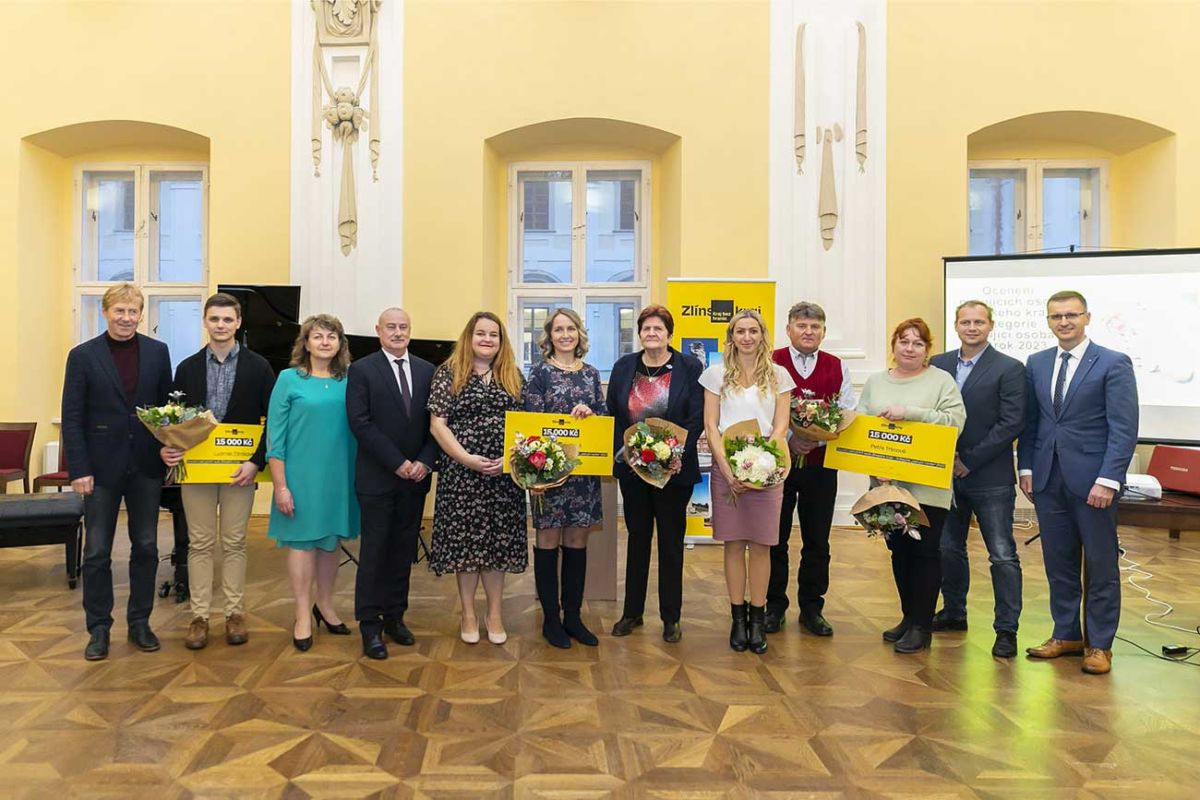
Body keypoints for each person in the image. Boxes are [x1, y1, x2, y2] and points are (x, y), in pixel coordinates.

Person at [1018, 291, 1138, 675]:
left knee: (1101, 566)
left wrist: (1109, 479)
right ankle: (1066, 634)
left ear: (1087, 317)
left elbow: (1123, 428)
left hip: (1094, 483)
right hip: (1047, 479)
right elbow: (1032, 423)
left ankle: (1099, 645)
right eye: (1056, 316)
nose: (1064, 322)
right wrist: (1026, 468)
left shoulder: (1113, 362)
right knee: (1059, 564)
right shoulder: (1036, 363)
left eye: (1071, 315)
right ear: (1048, 321)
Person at [62, 283, 173, 661]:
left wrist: (169, 445)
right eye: (119, 311)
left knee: (146, 547)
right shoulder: (82, 356)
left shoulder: (158, 352)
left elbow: (166, 412)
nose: (126, 318)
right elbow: (71, 416)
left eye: (133, 311)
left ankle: (140, 622)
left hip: (146, 467)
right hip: (99, 470)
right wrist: (78, 468)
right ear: (105, 312)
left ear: (141, 314)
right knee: (96, 552)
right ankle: (98, 628)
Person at [162, 293, 276, 650]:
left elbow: (275, 420)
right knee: (198, 543)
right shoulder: (187, 368)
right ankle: (199, 616)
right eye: (215, 319)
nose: (221, 325)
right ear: (205, 322)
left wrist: (256, 461)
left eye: (228, 319)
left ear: (238, 323)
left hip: (240, 471)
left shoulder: (259, 367)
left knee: (235, 541)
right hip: (196, 470)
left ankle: (234, 613)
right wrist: (170, 445)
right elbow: (175, 419)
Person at [857, 318, 966, 654]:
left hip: (928, 485)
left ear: (927, 350)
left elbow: (955, 422)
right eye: (904, 341)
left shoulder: (941, 381)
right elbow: (860, 427)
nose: (910, 348)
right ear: (894, 344)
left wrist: (911, 412)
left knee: (925, 553)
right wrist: (875, 468)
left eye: (918, 343)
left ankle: (922, 626)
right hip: (887, 485)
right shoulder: (876, 382)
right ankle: (908, 617)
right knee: (899, 552)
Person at [929, 300, 1026, 658]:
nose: (972, 328)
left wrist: (968, 461)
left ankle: (1006, 630)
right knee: (948, 548)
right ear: (956, 325)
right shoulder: (937, 364)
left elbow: (1011, 422)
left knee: (1002, 555)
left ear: (991, 326)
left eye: (979, 322)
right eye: (965, 322)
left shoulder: (1010, 368)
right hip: (942, 475)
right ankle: (954, 612)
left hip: (990, 477)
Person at [427, 311, 527, 645]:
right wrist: (467, 459)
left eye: (493, 334)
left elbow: (528, 426)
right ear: (469, 337)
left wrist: (510, 461)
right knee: (466, 547)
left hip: (503, 476)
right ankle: (468, 613)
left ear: (501, 341)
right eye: (481, 333)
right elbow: (437, 425)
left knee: (498, 546)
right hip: (461, 475)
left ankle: (494, 613)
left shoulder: (512, 375)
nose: (487, 339)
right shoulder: (448, 373)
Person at [607, 305, 704, 643]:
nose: (651, 333)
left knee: (671, 543)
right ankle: (632, 613)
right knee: (637, 539)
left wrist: (675, 455)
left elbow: (696, 416)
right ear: (640, 333)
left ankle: (671, 617)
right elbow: (613, 412)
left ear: (669, 334)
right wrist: (627, 454)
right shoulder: (624, 367)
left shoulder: (689, 367)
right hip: (633, 470)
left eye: (658, 328)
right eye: (646, 328)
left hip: (673, 472)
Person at [346, 308, 438, 659]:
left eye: (403, 327)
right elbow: (360, 422)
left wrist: (424, 462)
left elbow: (436, 424)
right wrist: (397, 462)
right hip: (378, 477)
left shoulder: (428, 370)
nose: (398, 332)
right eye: (391, 327)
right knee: (375, 553)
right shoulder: (362, 369)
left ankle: (395, 617)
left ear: (410, 331)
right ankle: (369, 625)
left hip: (416, 479)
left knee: (403, 552)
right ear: (378, 330)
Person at [701, 310, 794, 654]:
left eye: (753, 331)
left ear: (762, 335)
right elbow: (711, 426)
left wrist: (764, 465)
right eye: (740, 331)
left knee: (762, 545)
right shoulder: (715, 375)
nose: (747, 337)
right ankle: (737, 619)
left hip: (768, 468)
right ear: (731, 337)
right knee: (733, 544)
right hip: (726, 466)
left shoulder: (780, 376)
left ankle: (757, 620)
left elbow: (780, 427)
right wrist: (729, 471)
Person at [266, 314, 360, 651]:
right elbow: (275, 437)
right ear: (305, 343)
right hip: (300, 477)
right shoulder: (289, 379)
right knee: (303, 545)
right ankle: (303, 614)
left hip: (340, 476)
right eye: (317, 336)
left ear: (340, 344)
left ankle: (327, 606)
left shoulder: (350, 380)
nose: (325, 342)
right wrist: (281, 486)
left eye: (332, 337)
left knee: (330, 542)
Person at [767, 301, 856, 637]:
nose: (808, 332)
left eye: (815, 326)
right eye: (802, 326)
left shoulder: (837, 366)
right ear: (789, 329)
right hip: (777, 465)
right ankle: (774, 605)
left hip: (821, 465)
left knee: (817, 540)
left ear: (823, 331)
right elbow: (761, 406)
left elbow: (847, 411)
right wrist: (790, 440)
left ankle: (812, 608)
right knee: (774, 538)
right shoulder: (771, 361)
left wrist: (815, 440)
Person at [524, 308, 607, 649]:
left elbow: (603, 417)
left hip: (582, 474)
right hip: (547, 472)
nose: (565, 335)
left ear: (579, 334)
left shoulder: (591, 374)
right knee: (547, 542)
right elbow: (530, 421)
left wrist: (590, 414)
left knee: (576, 542)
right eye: (558, 329)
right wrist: (534, 475)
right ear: (549, 336)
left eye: (570, 328)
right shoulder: (539, 373)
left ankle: (573, 617)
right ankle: (551, 619)